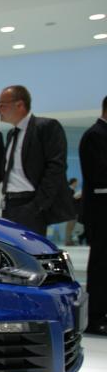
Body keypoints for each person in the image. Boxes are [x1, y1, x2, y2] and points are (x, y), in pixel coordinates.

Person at [0, 85, 75, 236]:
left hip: (31, 204)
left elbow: (56, 167)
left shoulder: (46, 127)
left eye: (1, 105)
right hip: (9, 205)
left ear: (19, 105)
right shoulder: (11, 134)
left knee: (31, 249)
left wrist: (37, 205)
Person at [79, 95, 107, 335]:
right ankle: (95, 317)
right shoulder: (94, 135)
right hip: (100, 213)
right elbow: (97, 175)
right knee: (99, 266)